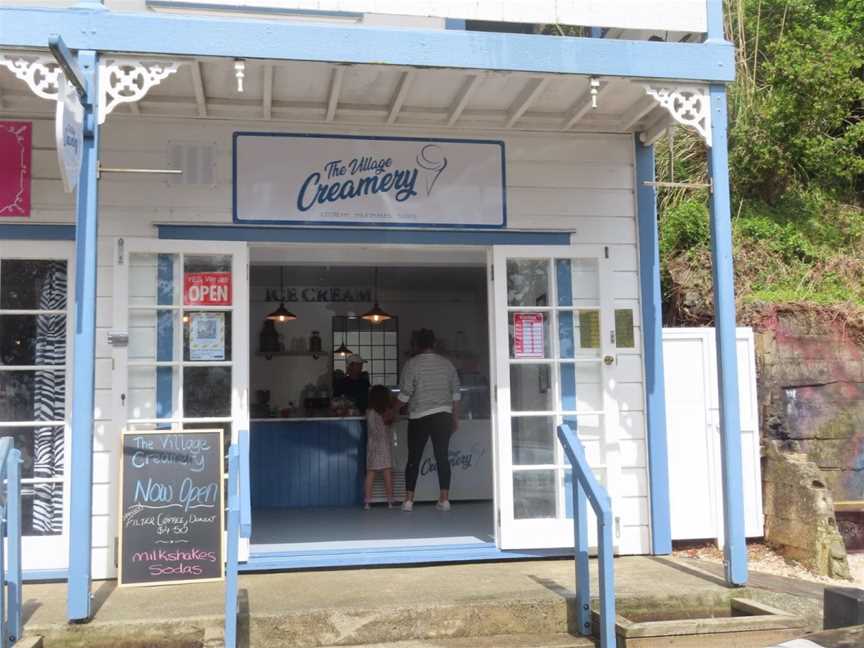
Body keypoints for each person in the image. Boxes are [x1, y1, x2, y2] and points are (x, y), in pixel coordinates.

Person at [398, 328, 460, 512]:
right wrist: (455, 419)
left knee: (414, 458)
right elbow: (456, 394)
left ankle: (409, 500)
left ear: (416, 345)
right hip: (443, 415)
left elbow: (404, 395)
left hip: (419, 417)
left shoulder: (411, 364)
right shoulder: (447, 364)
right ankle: (444, 499)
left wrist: (392, 411)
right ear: (434, 344)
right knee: (442, 456)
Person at [364, 384, 397, 509]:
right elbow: (392, 423)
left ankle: (367, 501)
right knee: (387, 472)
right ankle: (390, 500)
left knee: (370, 473)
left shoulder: (369, 412)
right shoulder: (386, 413)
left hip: (372, 445)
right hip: (384, 445)